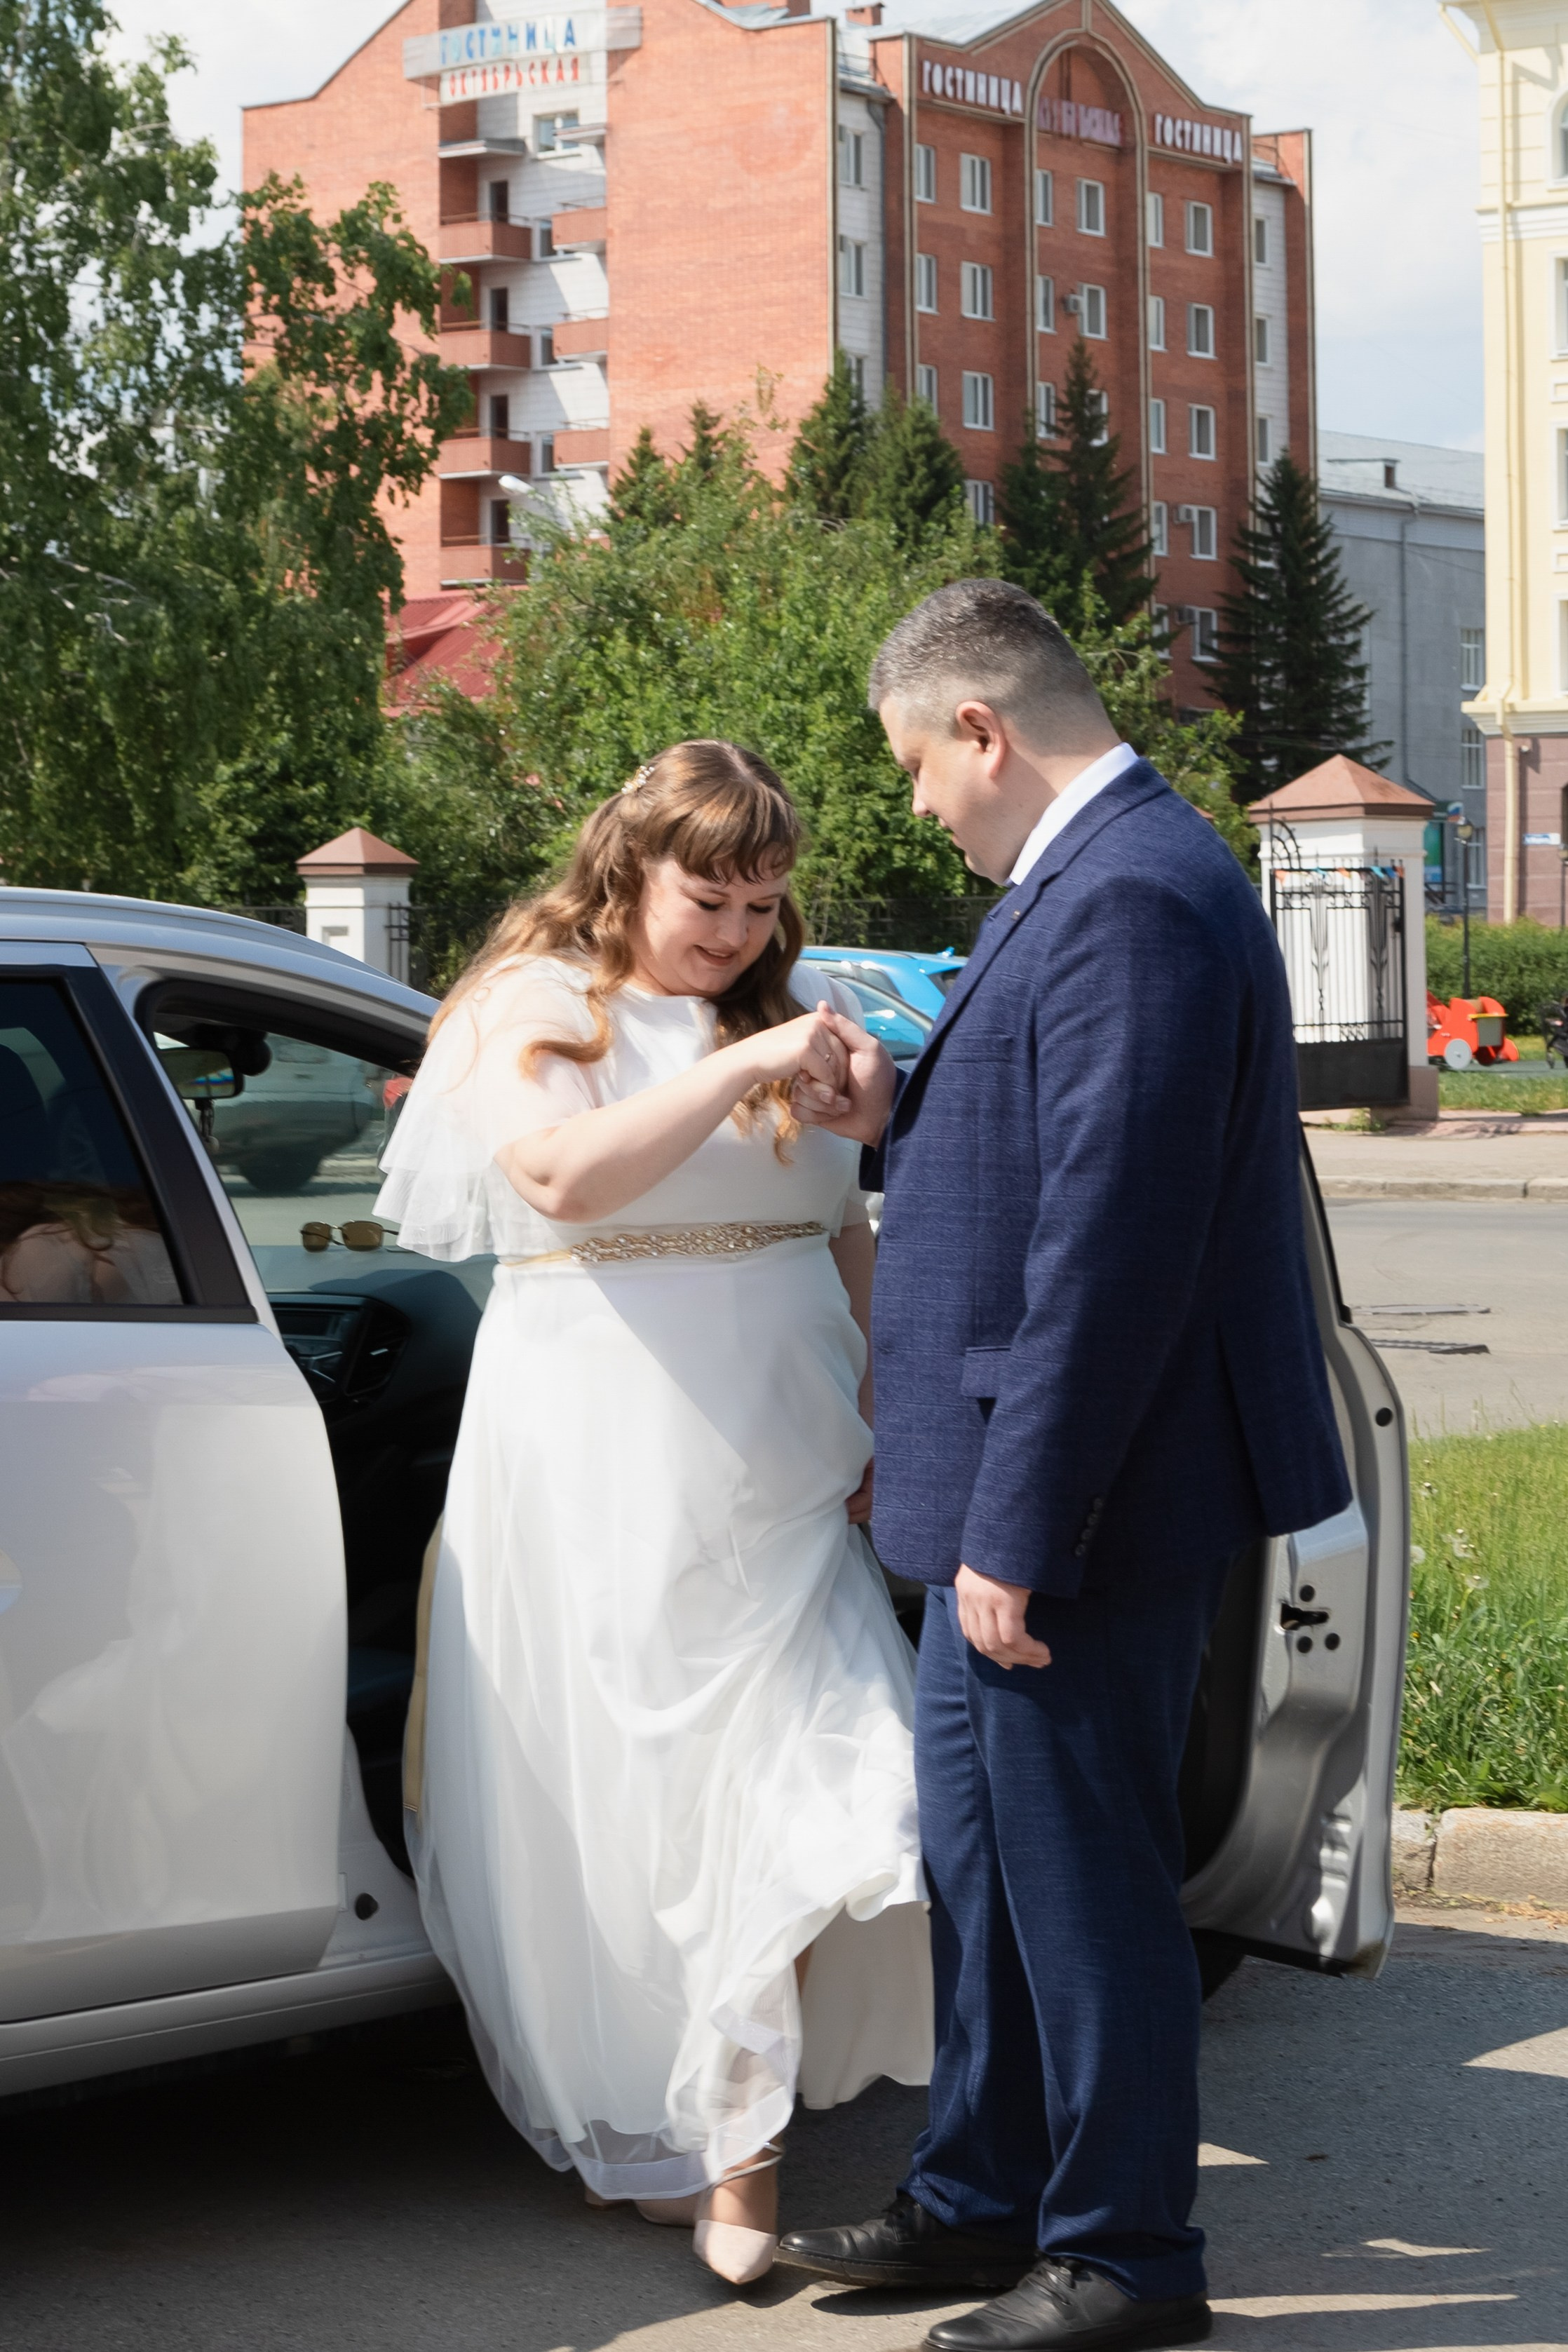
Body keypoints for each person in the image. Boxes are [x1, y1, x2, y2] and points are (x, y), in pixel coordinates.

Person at [776, 583, 1351, 2352]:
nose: (916, 811)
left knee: (1081, 1879)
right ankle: (981, 2196)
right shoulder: (1087, 892)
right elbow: (1047, 1142)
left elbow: (1111, 1247)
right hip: (1009, 1495)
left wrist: (1019, 1528)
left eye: (912, 771)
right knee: (983, 1859)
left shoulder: (1130, 901)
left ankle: (1122, 2258)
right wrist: (908, 1112)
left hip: (1079, 1507)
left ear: (980, 730)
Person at [376, 741, 931, 2289]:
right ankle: (687, 2135)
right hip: (602, 1477)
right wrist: (736, 1069)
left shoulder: (778, 1019)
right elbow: (556, 1178)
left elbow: (844, 1242)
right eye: (711, 896)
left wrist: (889, 1402)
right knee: (641, 1825)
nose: (738, 934)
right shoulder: (535, 1007)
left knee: (840, 1792)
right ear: (626, 864)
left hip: (787, 1481)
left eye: (763, 905)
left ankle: (739, 2152)